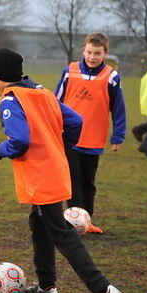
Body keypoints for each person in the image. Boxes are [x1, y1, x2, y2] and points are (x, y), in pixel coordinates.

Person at [0, 48, 122, 293]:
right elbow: (75, 120)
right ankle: (47, 287)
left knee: (60, 230)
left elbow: (20, 141)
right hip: (56, 168)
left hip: (40, 175)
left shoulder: (11, 101)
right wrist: (59, 146)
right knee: (40, 224)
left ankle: (102, 289)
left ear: (2, 77)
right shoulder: (43, 93)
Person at [54, 32, 126, 234]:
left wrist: (118, 135)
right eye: (89, 52)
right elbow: (55, 102)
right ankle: (73, 221)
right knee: (73, 178)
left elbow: (118, 108)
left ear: (105, 53)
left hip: (94, 138)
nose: (92, 57)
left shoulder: (111, 77)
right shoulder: (70, 71)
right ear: (83, 50)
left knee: (88, 181)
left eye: (97, 53)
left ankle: (87, 221)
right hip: (68, 137)